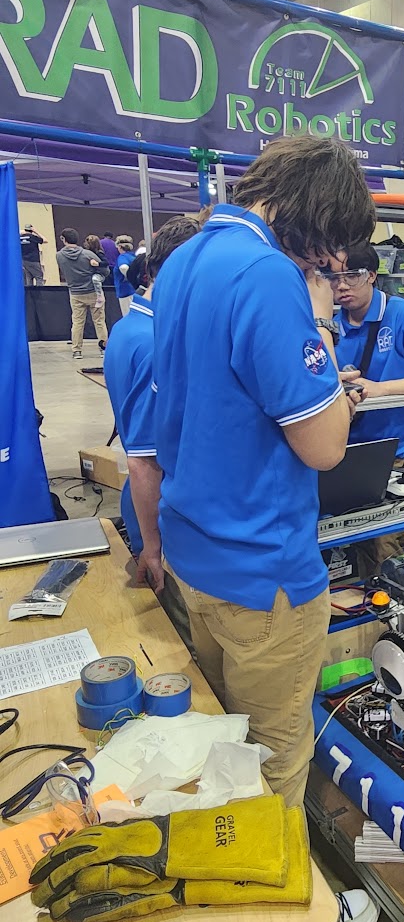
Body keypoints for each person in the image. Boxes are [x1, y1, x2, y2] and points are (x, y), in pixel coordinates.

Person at [152, 135, 375, 814]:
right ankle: (286, 917)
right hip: (264, 574)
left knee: (225, 745)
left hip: (196, 553)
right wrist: (323, 325)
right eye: (330, 241)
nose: (332, 262)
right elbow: (325, 447)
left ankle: (232, 885)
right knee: (274, 767)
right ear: (303, 206)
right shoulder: (266, 273)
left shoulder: (184, 258)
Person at [103, 214, 203, 649]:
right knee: (185, 646)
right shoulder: (153, 342)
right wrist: (152, 545)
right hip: (158, 510)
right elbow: (144, 460)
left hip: (148, 504)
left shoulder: (129, 328)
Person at [331, 242, 404, 457]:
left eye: (351, 276)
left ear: (371, 275)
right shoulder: (330, 326)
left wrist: (381, 388)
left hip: (401, 451)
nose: (342, 285)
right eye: (334, 278)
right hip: (346, 449)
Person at [55, 227, 108, 359]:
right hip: (94, 292)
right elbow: (105, 270)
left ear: (63, 239)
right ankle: (103, 349)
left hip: (75, 293)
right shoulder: (88, 255)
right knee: (99, 321)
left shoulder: (59, 256)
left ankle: (76, 350)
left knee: (78, 322)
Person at [113, 235, 136, 313]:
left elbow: (123, 267)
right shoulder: (133, 256)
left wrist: (130, 277)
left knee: (128, 316)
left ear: (119, 246)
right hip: (134, 290)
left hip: (125, 291)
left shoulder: (122, 257)